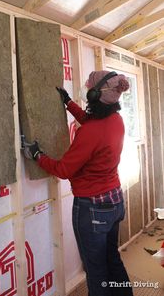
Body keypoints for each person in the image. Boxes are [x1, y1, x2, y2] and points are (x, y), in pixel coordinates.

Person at [24, 70, 133, 296]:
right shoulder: (115, 120)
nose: (84, 86)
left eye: (87, 85)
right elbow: (92, 124)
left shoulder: (91, 133)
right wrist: (69, 103)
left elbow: (64, 170)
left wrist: (37, 156)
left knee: (96, 271)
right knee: (112, 260)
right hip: (114, 201)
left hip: (93, 209)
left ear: (95, 94)